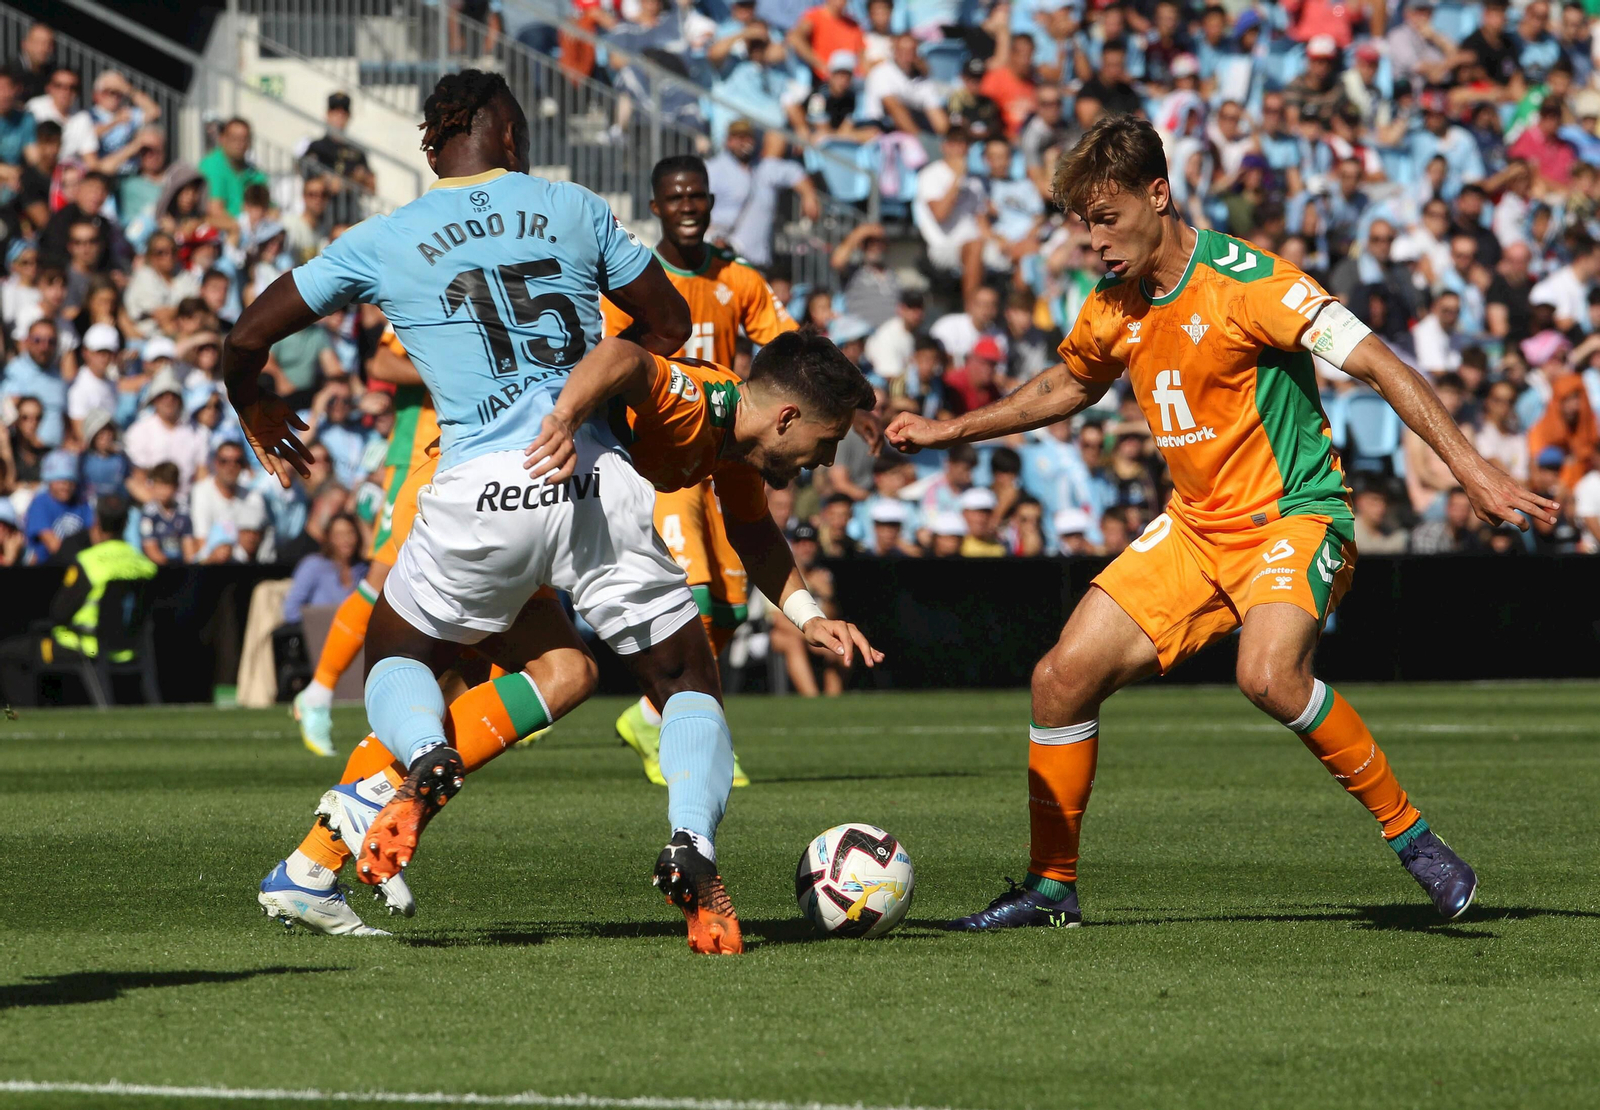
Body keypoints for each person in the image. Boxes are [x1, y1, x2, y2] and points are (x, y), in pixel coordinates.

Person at [887, 115, 1556, 929]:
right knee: (1058, 680)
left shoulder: (1252, 282)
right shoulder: (1113, 305)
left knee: (1267, 676)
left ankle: (1415, 839)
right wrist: (949, 428)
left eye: (1107, 219)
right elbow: (1068, 385)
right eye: (1082, 225)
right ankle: (1049, 888)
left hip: (1293, 518)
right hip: (1197, 529)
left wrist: (1472, 467)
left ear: (1158, 194)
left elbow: (1380, 362)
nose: (1093, 242)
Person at [226, 70, 725, 949]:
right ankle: (690, 843)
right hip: (589, 480)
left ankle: (395, 786)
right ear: (511, 135)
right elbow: (667, 323)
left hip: (479, 496)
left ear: (433, 143)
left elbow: (244, 338)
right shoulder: (570, 206)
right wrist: (599, 395)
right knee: (658, 676)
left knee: (405, 659)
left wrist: (255, 407)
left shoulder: (384, 237)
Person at [602, 154, 799, 787]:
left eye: (699, 197)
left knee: (733, 607)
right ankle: (689, 736)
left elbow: (785, 344)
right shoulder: (638, 279)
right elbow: (609, 356)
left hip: (727, 449)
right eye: (676, 198)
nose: (689, 207)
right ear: (656, 206)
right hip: (665, 451)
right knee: (696, 593)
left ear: (711, 204)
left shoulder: (737, 278)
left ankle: (648, 715)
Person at [0, 495, 154, 707]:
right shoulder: (145, 564)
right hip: (130, 647)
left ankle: (27, 720)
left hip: (88, 647)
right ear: (126, 523)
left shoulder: (89, 562)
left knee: (9, 653)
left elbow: (59, 613)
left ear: (97, 522)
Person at [705, 120, 820, 270]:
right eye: (739, 138)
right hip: (723, 258)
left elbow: (794, 172)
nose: (744, 143)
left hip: (757, 262)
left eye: (748, 138)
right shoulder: (713, 169)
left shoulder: (763, 168)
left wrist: (808, 195)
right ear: (729, 141)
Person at [190, 441, 267, 564]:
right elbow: (201, 545)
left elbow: (250, 546)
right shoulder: (200, 492)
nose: (231, 466)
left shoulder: (254, 497)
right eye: (224, 461)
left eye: (237, 461)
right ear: (215, 463)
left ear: (243, 465)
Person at [283, 512, 368, 623]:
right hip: (320, 634)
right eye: (339, 535)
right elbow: (291, 610)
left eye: (350, 533)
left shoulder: (364, 570)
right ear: (329, 538)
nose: (346, 540)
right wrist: (320, 620)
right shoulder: (313, 566)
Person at [23, 449, 92, 565]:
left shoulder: (81, 502)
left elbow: (94, 534)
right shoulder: (40, 504)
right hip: (49, 568)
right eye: (61, 481)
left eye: (70, 482)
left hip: (79, 565)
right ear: (49, 481)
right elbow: (53, 545)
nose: (66, 487)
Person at [138, 460, 196, 564]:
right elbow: (151, 549)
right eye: (159, 485)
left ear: (176, 486)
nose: (162, 491)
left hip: (181, 568)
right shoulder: (149, 514)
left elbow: (189, 547)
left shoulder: (183, 512)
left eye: (167, 485)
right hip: (157, 569)